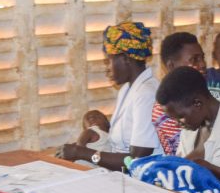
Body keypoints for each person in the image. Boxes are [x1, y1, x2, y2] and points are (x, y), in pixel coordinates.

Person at [60, 21, 161, 170]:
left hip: (141, 179)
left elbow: (137, 159)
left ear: (126, 59)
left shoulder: (146, 95)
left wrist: (83, 153)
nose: (107, 69)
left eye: (109, 61)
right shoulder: (127, 89)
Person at [150, 31, 207, 156]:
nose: (202, 64)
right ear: (171, 66)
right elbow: (190, 156)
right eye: (195, 60)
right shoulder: (166, 109)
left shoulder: (205, 91)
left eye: (202, 58)